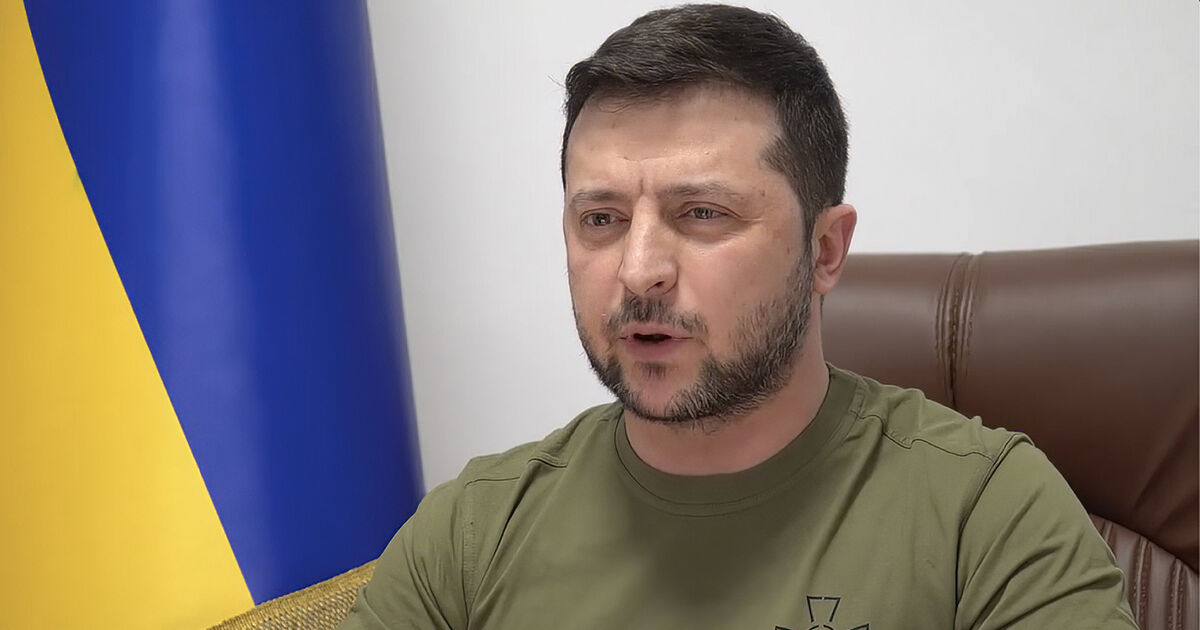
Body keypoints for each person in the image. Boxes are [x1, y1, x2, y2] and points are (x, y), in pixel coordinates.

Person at [339, 5, 1135, 628]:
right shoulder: (471, 533)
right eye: (602, 219)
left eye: (703, 214)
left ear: (825, 250)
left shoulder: (986, 512)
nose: (639, 270)